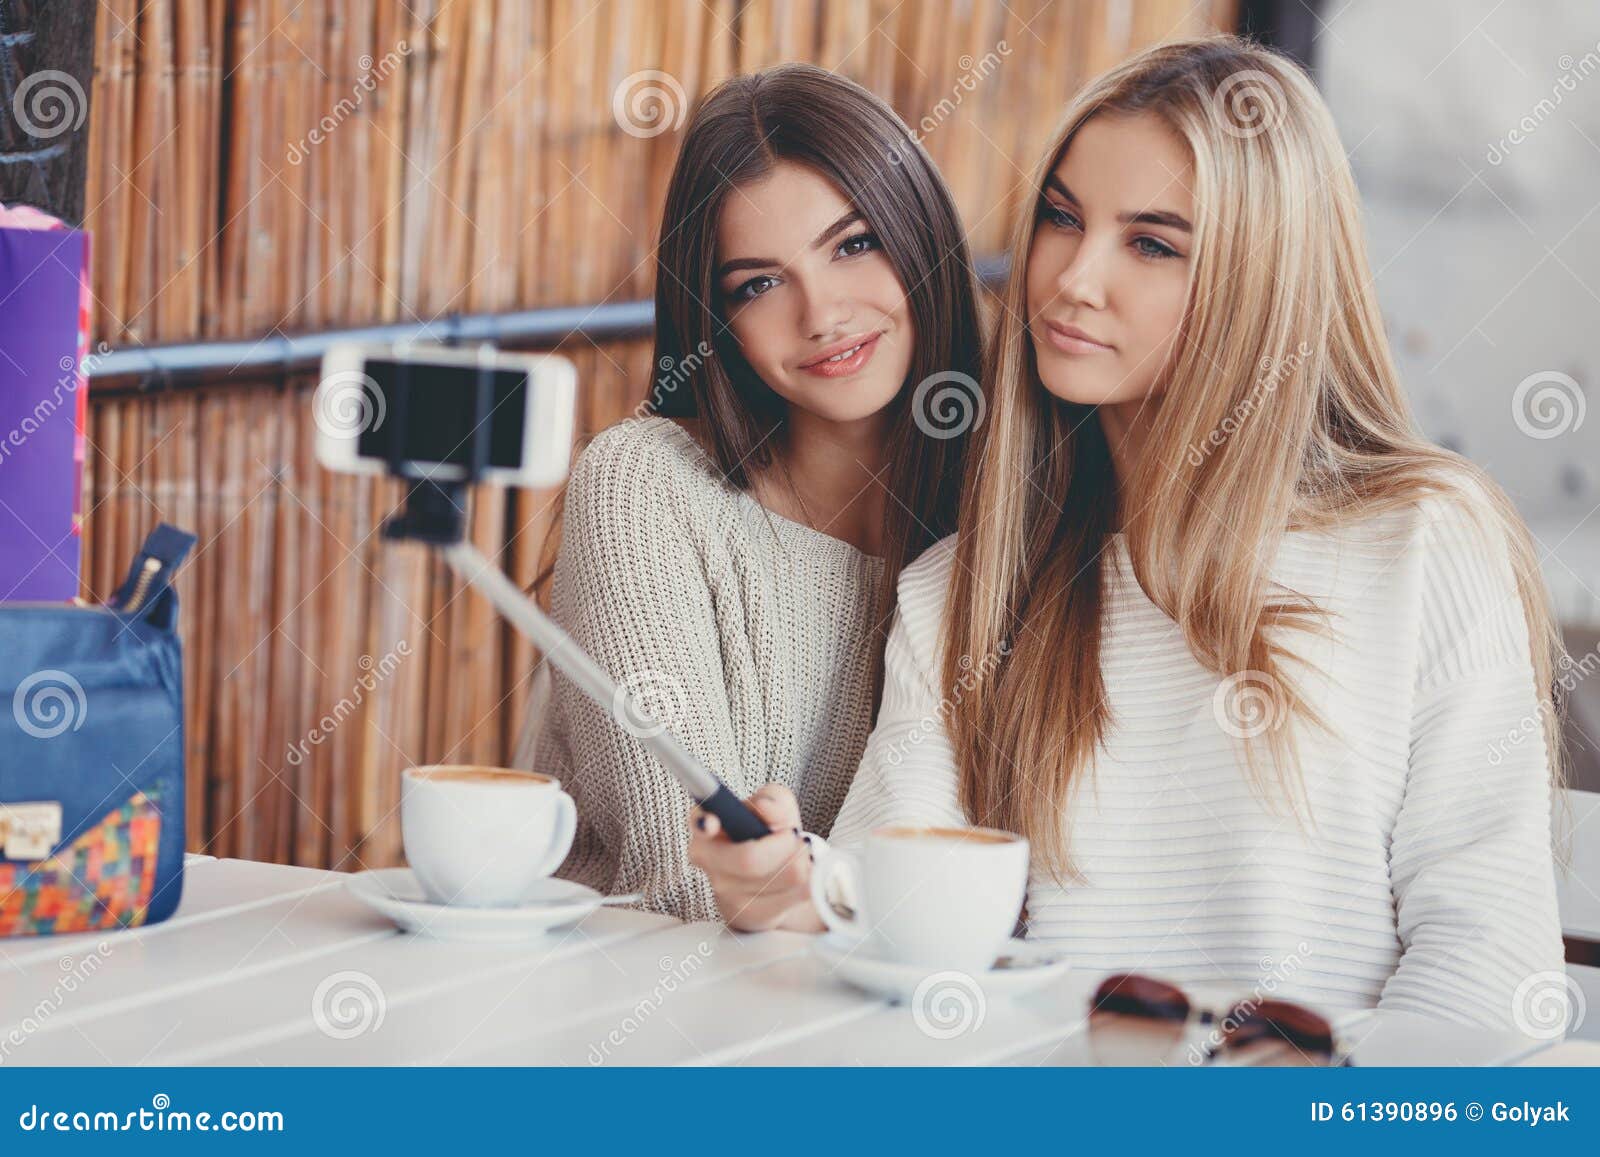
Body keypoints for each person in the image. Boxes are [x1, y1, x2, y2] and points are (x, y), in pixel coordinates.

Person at [690, 37, 1569, 1030]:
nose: (1071, 279)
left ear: (1261, 278)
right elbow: (897, 905)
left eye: (1151, 242)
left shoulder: (1422, 540)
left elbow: (1486, 966)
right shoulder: (966, 586)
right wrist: (794, 891)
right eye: (1062, 218)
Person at [525, 64, 984, 921]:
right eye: (760, 284)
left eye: (854, 244)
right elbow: (692, 885)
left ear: (921, 236)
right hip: (639, 1006)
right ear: (717, 321)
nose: (823, 314)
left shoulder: (999, 506)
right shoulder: (645, 489)